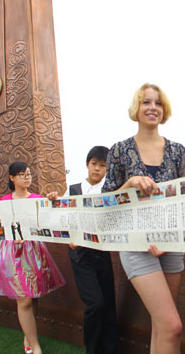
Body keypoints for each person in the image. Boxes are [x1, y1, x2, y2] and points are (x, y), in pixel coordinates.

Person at [103, 83, 185, 354]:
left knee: (161, 325)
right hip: (136, 244)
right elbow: (105, 203)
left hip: (171, 243)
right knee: (172, 326)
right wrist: (129, 183)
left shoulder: (179, 152)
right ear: (136, 109)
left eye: (158, 103)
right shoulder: (119, 150)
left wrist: (170, 238)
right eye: (146, 102)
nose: (152, 107)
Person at [0, 161, 66, 354]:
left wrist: (52, 200)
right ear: (12, 178)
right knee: (24, 299)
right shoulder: (3, 201)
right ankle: (35, 346)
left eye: (28, 174)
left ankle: (28, 337)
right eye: (22, 174)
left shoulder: (37, 198)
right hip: (12, 252)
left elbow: (47, 222)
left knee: (33, 296)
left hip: (34, 251)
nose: (27, 177)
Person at [66, 146, 119, 354]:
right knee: (95, 303)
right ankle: (93, 350)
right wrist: (71, 237)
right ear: (87, 164)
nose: (98, 169)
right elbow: (62, 216)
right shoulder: (73, 190)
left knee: (108, 303)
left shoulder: (110, 191)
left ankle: (111, 349)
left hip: (103, 252)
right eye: (94, 164)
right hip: (81, 254)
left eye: (103, 165)